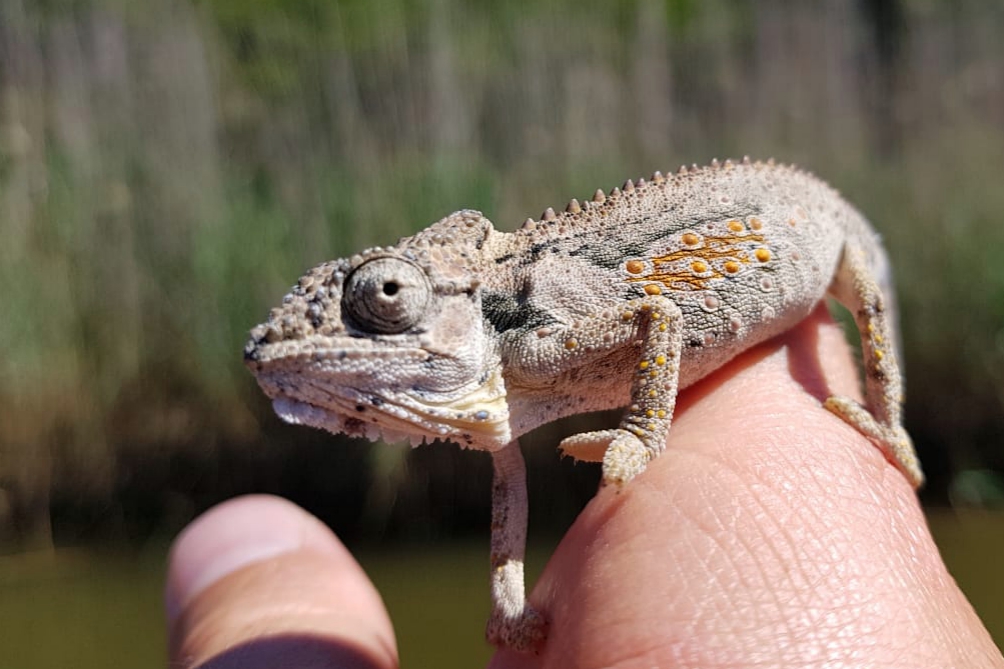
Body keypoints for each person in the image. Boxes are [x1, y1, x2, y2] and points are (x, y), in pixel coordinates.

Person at [165, 307, 1003, 668]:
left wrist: (645, 429)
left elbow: (657, 317)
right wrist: (510, 605)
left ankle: (889, 416)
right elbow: (507, 469)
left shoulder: (528, 338)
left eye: (386, 300)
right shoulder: (500, 391)